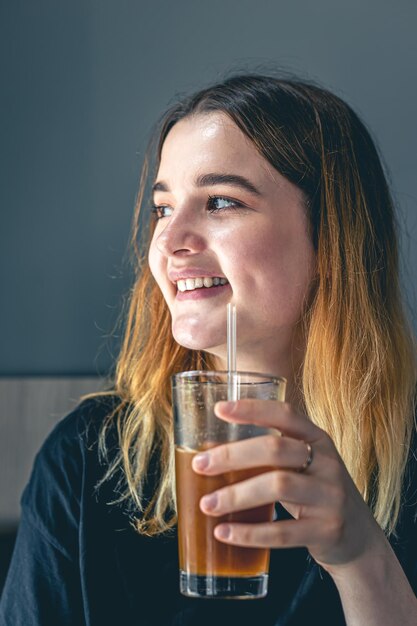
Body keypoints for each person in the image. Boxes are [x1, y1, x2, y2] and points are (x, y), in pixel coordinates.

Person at [1, 72, 416, 626]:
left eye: (220, 201)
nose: (170, 243)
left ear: (331, 235)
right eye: (163, 208)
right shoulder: (85, 460)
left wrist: (364, 561)